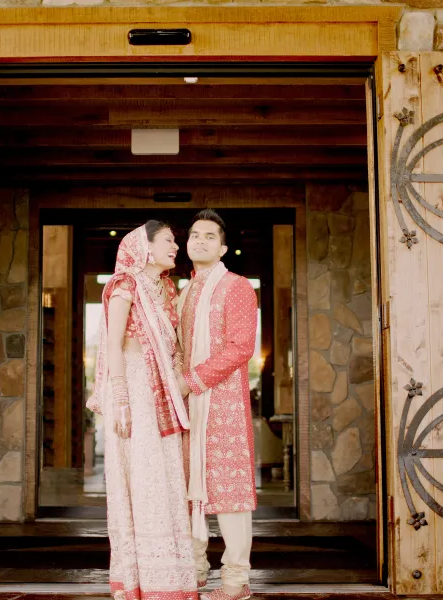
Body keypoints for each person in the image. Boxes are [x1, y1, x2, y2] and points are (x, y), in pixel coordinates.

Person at [87, 221, 198, 600]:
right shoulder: (125, 284)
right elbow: (113, 344)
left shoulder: (166, 289)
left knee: (166, 477)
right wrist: (120, 397)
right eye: (169, 240)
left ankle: (170, 578)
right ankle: (142, 579)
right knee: (143, 476)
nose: (176, 246)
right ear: (145, 246)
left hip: (162, 392)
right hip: (134, 387)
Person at [177, 209, 258, 600]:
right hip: (188, 407)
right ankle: (193, 570)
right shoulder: (184, 292)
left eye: (210, 236)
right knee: (189, 487)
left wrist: (190, 381)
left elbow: (241, 346)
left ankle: (235, 580)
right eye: (195, 235)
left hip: (222, 404)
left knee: (229, 491)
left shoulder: (237, 287)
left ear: (223, 246)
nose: (201, 241)